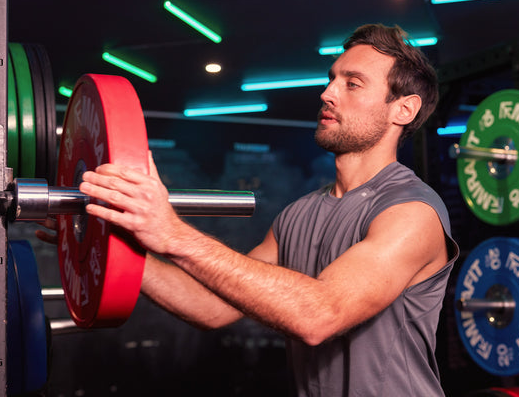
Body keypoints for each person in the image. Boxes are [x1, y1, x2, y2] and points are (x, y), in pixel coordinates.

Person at [77, 24, 459, 397]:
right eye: (331, 79)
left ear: (404, 110)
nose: (327, 93)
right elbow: (211, 306)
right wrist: (112, 238)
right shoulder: (298, 215)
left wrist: (172, 234)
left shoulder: (411, 212)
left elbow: (319, 314)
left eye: (352, 83)